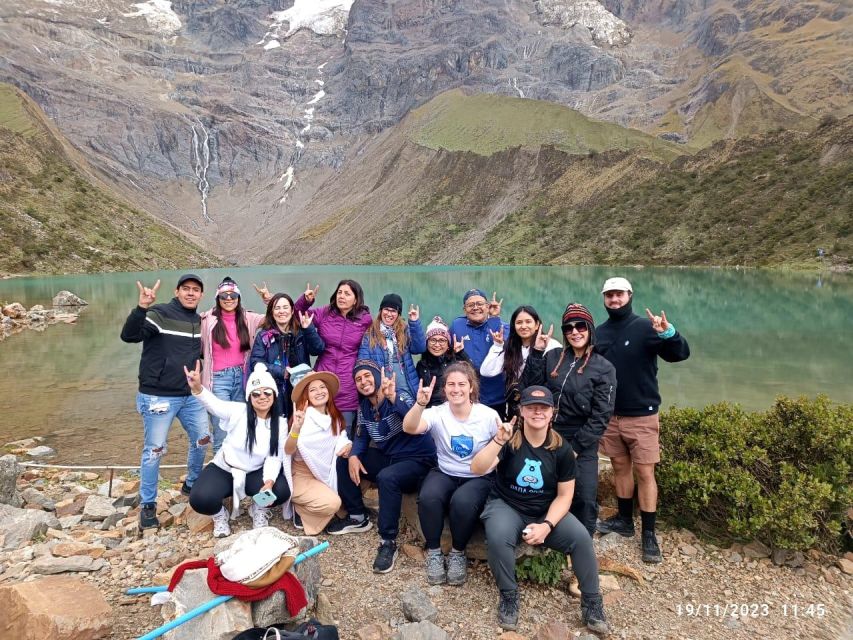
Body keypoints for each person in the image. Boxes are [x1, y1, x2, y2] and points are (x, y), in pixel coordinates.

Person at [471, 386, 609, 634]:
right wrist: (497, 440)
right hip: (507, 505)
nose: (537, 412)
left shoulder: (562, 449)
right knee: (498, 535)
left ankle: (592, 602)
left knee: (580, 538)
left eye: (543, 407)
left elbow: (565, 496)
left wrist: (547, 526)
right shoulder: (509, 440)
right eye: (531, 407)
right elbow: (478, 468)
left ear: (552, 413)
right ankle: (509, 595)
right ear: (522, 410)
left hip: (546, 509)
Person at [594, 277, 690, 563]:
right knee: (621, 467)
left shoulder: (647, 327)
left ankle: (648, 533)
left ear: (630, 295)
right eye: (609, 295)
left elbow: (680, 354)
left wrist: (668, 333)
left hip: (642, 414)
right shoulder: (599, 333)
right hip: (611, 415)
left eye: (619, 294)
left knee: (646, 473)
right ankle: (624, 521)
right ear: (604, 299)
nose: (614, 300)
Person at [120, 274, 211, 529]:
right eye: (186, 289)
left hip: (189, 395)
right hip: (157, 395)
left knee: (203, 437)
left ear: (201, 295)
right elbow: (129, 336)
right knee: (154, 450)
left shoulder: (198, 320)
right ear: (177, 291)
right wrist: (142, 307)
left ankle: (192, 482)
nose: (191, 293)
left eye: (196, 290)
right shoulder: (159, 313)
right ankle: (148, 505)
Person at [329, 359, 436, 574]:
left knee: (388, 477)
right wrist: (355, 455)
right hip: (390, 457)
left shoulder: (400, 394)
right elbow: (361, 436)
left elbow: (412, 417)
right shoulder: (365, 408)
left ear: (378, 377)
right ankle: (358, 517)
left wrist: (393, 397)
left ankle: (388, 541)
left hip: (417, 461)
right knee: (345, 457)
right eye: (358, 379)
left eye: (368, 376)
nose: (363, 381)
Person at [521, 303, 616, 536]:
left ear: (590, 329)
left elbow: (602, 414)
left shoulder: (603, 368)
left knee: (584, 494)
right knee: (541, 485)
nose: (575, 332)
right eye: (569, 328)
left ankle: (582, 540)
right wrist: (535, 352)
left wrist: (575, 448)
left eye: (580, 326)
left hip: (581, 437)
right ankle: (545, 534)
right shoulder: (553, 357)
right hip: (550, 432)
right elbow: (531, 387)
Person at [403, 362, 498, 586]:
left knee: (462, 502)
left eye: (462, 384)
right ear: (444, 389)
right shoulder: (437, 413)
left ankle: (458, 552)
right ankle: (435, 552)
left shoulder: (487, 415)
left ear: (471, 387)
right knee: (428, 497)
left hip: (478, 476)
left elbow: (503, 445)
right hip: (446, 470)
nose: (456, 389)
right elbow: (409, 427)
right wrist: (419, 404)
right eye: (451, 384)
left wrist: (492, 461)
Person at [186, 361, 290, 538]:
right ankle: (220, 515)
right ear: (249, 397)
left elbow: (275, 457)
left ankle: (258, 507)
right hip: (225, 468)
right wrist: (198, 388)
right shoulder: (238, 411)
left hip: (255, 472)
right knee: (200, 499)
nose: (262, 397)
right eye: (256, 393)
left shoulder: (280, 423)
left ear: (274, 395)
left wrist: (269, 482)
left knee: (280, 491)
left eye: (267, 392)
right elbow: (215, 405)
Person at [293, 280, 372, 430]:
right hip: (322, 379)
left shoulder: (365, 319)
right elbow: (297, 315)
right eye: (339, 292)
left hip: (348, 384)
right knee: (316, 430)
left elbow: (372, 345)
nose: (341, 296)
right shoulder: (325, 313)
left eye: (347, 294)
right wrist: (305, 301)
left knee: (344, 433)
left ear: (356, 299)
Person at [201, 277, 265, 453]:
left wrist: (268, 299)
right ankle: (220, 475)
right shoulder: (206, 320)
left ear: (238, 297)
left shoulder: (248, 318)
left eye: (233, 295)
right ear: (218, 298)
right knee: (221, 430)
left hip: (242, 378)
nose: (229, 299)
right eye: (224, 296)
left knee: (241, 426)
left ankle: (239, 469)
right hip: (218, 379)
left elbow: (277, 317)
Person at [283, 370, 350, 535]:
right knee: (333, 503)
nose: (319, 392)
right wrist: (296, 428)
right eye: (313, 389)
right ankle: (301, 511)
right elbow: (288, 449)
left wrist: (347, 445)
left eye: (322, 387)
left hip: (326, 471)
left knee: (359, 475)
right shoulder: (303, 419)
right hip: (302, 475)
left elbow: (342, 437)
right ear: (306, 396)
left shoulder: (334, 417)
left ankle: (319, 503)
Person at [250, 293, 325, 417]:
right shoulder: (264, 336)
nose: (281, 311)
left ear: (291, 310)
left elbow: (318, 350)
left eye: (285, 307)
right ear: (271, 312)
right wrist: (282, 372)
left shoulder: (302, 330)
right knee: (279, 427)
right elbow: (256, 362)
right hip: (275, 389)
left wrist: (308, 329)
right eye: (277, 308)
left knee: (300, 426)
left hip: (300, 388)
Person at [481, 305, 562, 420]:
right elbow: (487, 371)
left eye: (528, 322)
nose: (524, 326)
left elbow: (556, 382)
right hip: (517, 408)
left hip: (542, 408)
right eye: (519, 322)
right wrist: (497, 346)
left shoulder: (551, 346)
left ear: (537, 325)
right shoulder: (512, 348)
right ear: (514, 326)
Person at [450, 289, 508, 418]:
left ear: (487, 306)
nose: (475, 308)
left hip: (496, 395)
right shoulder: (457, 325)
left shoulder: (502, 326)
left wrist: (494, 318)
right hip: (466, 396)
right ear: (464, 309)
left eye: (480, 304)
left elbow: (502, 346)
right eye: (470, 305)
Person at [357, 293, 426, 399]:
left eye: (393, 311)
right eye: (386, 309)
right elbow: (363, 363)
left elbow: (419, 348)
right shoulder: (370, 334)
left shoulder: (404, 330)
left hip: (406, 386)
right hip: (382, 389)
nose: (389, 314)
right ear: (381, 311)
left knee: (409, 413)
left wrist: (414, 322)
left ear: (398, 314)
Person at [415, 316, 472, 408]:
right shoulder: (421, 365)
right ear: (426, 343)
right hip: (431, 411)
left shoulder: (456, 361)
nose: (437, 345)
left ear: (448, 344)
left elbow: (473, 377)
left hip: (455, 409)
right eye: (433, 340)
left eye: (442, 340)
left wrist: (461, 353)